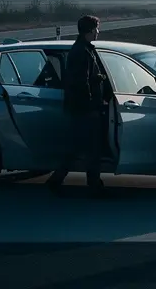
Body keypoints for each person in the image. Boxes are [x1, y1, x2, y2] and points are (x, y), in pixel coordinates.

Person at [46, 14, 111, 196]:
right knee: (92, 149)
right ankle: (93, 185)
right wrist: (92, 101)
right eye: (96, 28)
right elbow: (80, 82)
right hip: (85, 109)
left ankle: (56, 180)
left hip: (82, 108)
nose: (98, 32)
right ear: (90, 31)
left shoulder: (84, 50)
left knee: (77, 147)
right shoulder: (81, 52)